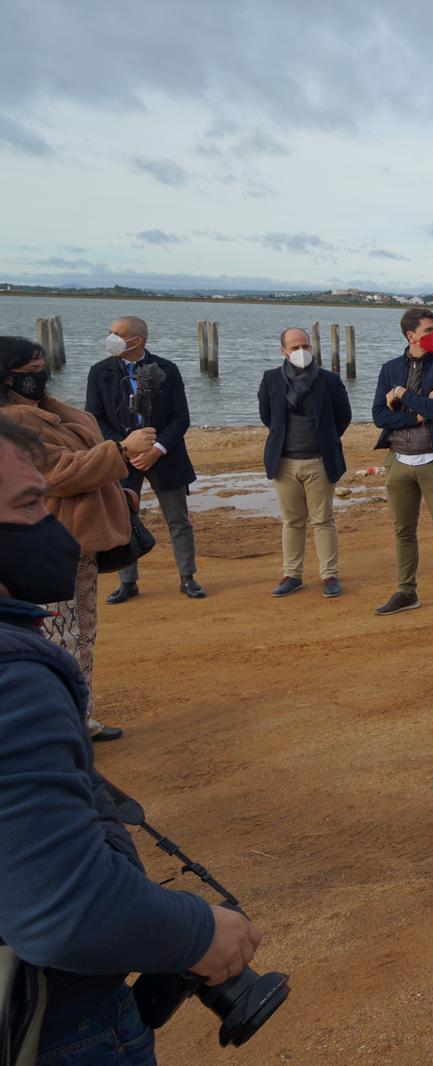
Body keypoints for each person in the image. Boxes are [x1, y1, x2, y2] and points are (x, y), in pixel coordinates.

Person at [0, 415, 264, 1066]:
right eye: (31, 504)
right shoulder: (15, 680)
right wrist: (201, 934)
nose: (50, 521)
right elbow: (67, 906)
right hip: (60, 1024)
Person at [0, 337, 155, 742]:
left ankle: (78, 717)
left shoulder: (45, 412)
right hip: (52, 544)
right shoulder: (13, 425)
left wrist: (117, 494)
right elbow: (58, 473)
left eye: (41, 368)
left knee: (82, 634)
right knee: (61, 636)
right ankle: (63, 726)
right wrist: (121, 451)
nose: (40, 377)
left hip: (79, 542)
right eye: (31, 372)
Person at [84, 314, 203, 602]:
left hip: (166, 456)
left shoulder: (167, 369)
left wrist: (157, 449)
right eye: (109, 331)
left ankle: (187, 578)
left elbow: (180, 418)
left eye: (116, 333)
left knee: (178, 520)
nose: (109, 337)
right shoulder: (100, 372)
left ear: (137, 340)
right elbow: (94, 418)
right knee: (123, 518)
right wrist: (123, 446)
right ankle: (128, 582)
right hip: (122, 457)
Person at [371, 308, 433, 623]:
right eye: (428, 330)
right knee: (403, 531)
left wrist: (401, 395)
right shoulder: (389, 368)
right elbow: (379, 416)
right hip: (398, 460)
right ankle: (407, 592)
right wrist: (416, 411)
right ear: (410, 335)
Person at [258, 327, 352, 598]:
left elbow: (342, 417)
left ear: (312, 348)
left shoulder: (329, 380)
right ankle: (292, 574)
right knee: (292, 521)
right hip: (284, 463)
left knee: (323, 520)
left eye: (306, 346)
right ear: (283, 351)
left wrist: (326, 442)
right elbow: (267, 416)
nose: (301, 352)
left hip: (320, 462)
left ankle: (329, 575)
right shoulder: (271, 379)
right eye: (295, 347)